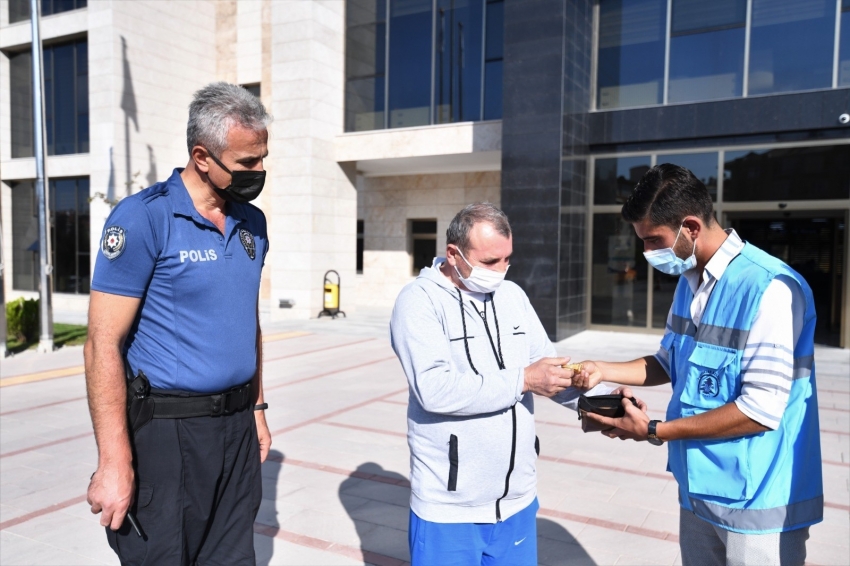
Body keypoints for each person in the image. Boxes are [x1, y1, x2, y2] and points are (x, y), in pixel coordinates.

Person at [576, 164, 822, 566]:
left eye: (653, 240)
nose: (646, 253)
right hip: (699, 489)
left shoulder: (770, 289)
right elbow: (668, 362)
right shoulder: (690, 281)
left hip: (757, 502)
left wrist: (655, 430)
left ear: (690, 226)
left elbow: (759, 410)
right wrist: (603, 369)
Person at [84, 82, 272, 565]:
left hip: (235, 431)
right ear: (202, 156)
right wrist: (113, 461)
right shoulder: (144, 219)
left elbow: (246, 321)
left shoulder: (252, 223)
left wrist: (257, 408)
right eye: (247, 163)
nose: (259, 172)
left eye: (262, 159)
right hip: (169, 433)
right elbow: (102, 343)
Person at [390, 203, 609, 566]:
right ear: (453, 254)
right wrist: (523, 379)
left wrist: (604, 399)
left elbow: (548, 369)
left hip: (517, 501)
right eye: (491, 262)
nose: (502, 270)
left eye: (508, 259)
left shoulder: (513, 296)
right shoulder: (418, 302)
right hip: (450, 510)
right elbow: (434, 389)